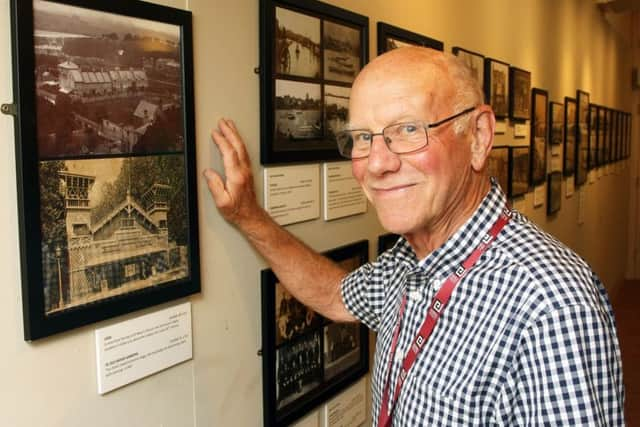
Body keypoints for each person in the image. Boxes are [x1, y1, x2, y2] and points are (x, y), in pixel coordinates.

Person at [203, 47, 624, 425]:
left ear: (478, 137)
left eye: (407, 130)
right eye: (363, 138)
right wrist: (249, 217)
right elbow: (335, 294)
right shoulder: (412, 260)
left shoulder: (549, 304)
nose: (378, 164)